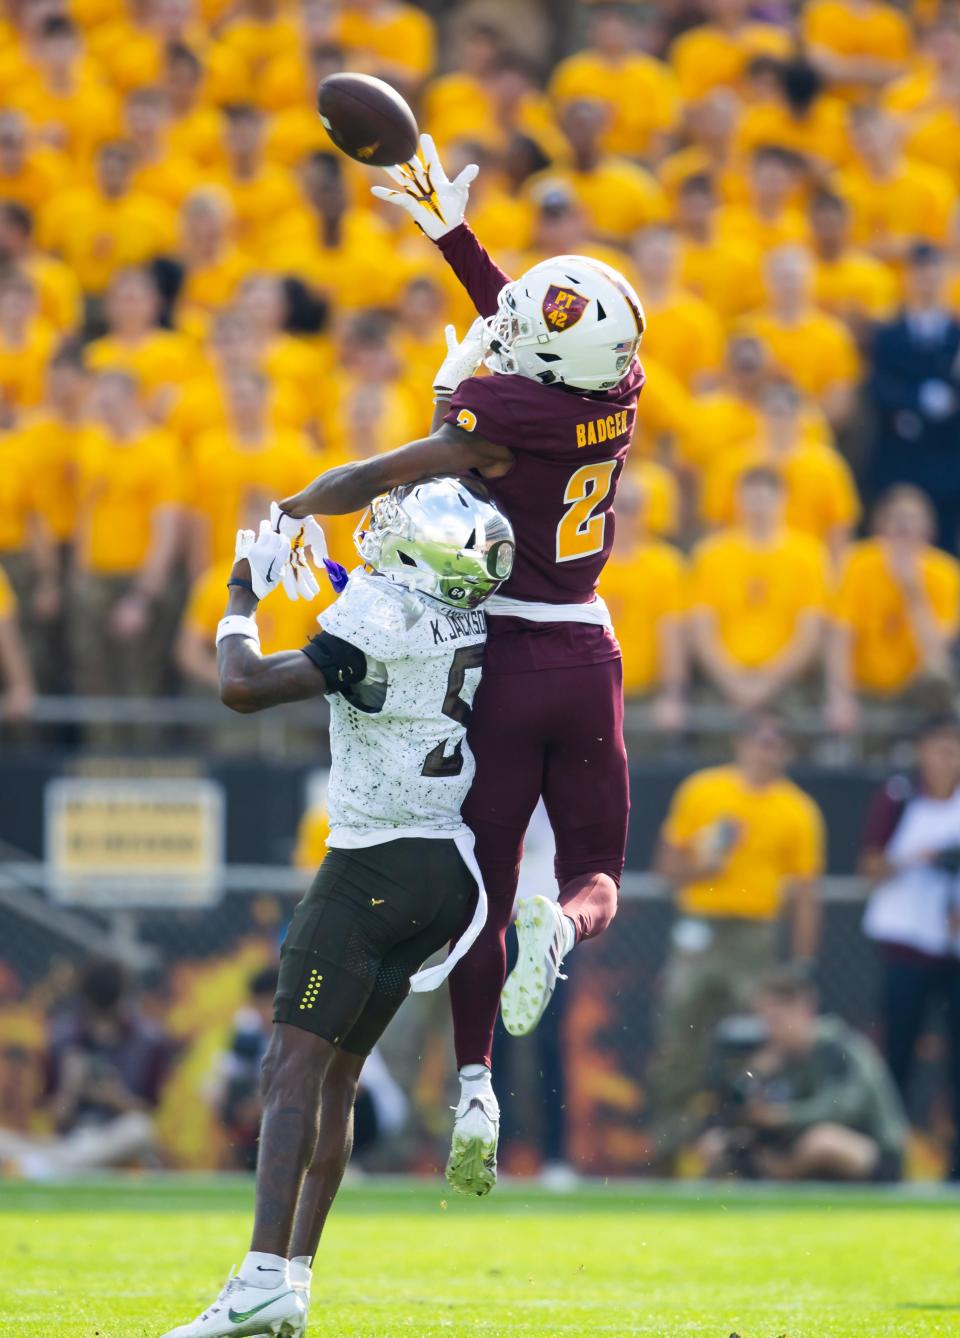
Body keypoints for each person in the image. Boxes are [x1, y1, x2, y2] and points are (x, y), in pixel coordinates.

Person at [280, 134, 646, 1195]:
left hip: (500, 658)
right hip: (588, 652)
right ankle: (565, 930)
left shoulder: (504, 414)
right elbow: (526, 325)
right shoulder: (615, 392)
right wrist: (452, 235)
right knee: (594, 875)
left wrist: (303, 503)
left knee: (481, 887)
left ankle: (476, 1082)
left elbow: (392, 465)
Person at [161, 476, 515, 1338]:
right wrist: (320, 575)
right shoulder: (464, 613)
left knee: (289, 1070)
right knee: (338, 1079)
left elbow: (240, 685)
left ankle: (258, 1279)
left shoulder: (382, 621)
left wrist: (242, 589)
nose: (382, 524)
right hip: (444, 875)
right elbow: (384, 631)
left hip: (373, 865)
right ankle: (296, 1284)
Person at [648, 714, 824, 1159]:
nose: (766, 750)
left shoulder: (797, 810)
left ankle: (741, 1151)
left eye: (776, 743)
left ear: (787, 752)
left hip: (754, 936)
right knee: (679, 1040)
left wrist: (801, 965)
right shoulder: (704, 790)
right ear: (740, 743)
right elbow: (667, 870)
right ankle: (667, 1151)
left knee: (753, 1044)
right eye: (759, 740)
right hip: (700, 930)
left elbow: (805, 895)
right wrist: (703, 867)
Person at [859, 714, 960, 1180]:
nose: (948, 759)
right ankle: (888, 1160)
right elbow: (871, 866)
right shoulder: (900, 797)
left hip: (953, 948)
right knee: (897, 1053)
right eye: (940, 748)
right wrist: (923, 857)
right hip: (907, 944)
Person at [699, 968, 907, 1182]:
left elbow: (843, 1109)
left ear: (804, 1010)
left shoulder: (836, 1046)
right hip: (796, 1143)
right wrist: (754, 1076)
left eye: (775, 1019)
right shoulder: (772, 1054)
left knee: (822, 1142)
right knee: (716, 1144)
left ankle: (779, 1181)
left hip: (869, 1149)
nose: (769, 1029)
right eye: (763, 1019)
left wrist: (781, 1116)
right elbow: (734, 1111)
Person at [0, 957, 172, 1177]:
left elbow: (152, 1118)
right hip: (69, 1141)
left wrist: (114, 1097)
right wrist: (69, 1089)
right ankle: (63, 1167)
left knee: (140, 1130)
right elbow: (55, 1119)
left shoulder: (149, 1041)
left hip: (116, 1140)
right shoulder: (62, 1038)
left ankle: (50, 1170)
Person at [827, 486, 960, 731]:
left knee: (941, 677)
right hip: (863, 683)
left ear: (929, 530)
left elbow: (936, 653)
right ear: (881, 526)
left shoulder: (946, 574)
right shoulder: (857, 563)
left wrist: (913, 591)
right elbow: (841, 636)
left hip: (913, 689)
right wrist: (841, 695)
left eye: (912, 520)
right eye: (897, 519)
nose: (904, 528)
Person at [866, 243, 960, 552]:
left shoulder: (956, 334)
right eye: (920, 274)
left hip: (949, 458)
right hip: (901, 454)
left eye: (933, 273)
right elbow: (879, 387)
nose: (927, 281)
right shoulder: (888, 334)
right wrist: (916, 401)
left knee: (944, 545)